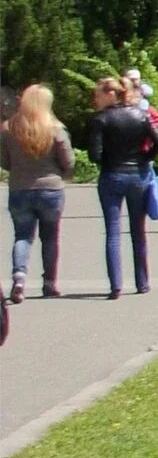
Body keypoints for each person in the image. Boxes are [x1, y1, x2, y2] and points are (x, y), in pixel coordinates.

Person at [88, 76, 158, 298]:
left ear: (110, 94)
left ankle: (116, 285)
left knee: (112, 231)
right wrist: (143, 158)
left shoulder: (101, 119)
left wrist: (108, 162)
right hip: (137, 175)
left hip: (112, 175)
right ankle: (142, 281)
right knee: (138, 230)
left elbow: (95, 154)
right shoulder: (141, 115)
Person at [2, 84, 71, 303]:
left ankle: (19, 278)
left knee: (22, 236)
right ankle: (49, 283)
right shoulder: (55, 128)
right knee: (50, 237)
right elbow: (68, 159)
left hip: (20, 188)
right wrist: (64, 174)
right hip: (51, 189)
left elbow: (3, 160)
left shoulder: (9, 128)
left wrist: (17, 168)